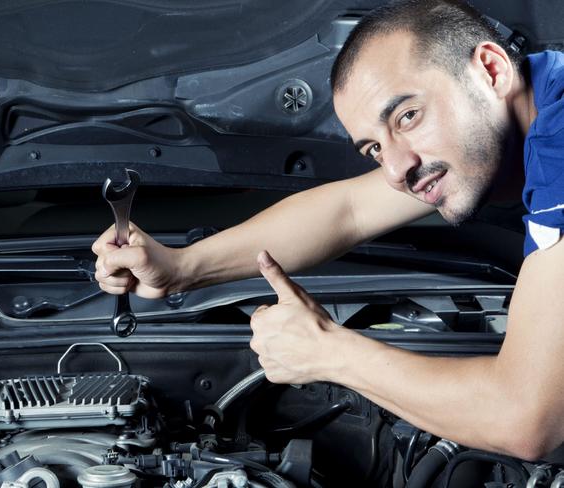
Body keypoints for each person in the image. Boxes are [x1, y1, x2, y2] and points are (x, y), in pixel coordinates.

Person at [92, 0, 564, 460]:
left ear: (492, 69)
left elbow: (525, 419)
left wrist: (329, 352)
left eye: (408, 116)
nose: (397, 169)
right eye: (374, 149)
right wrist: (178, 267)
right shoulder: (532, 94)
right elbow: (349, 210)